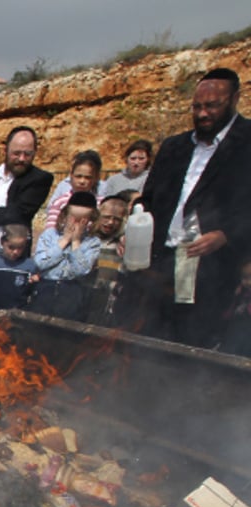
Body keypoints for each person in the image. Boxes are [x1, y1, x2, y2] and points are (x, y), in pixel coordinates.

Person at [122, 68, 251, 347]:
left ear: (234, 99)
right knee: (144, 343)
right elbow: (150, 198)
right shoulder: (174, 147)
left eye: (212, 106)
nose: (203, 114)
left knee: (191, 347)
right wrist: (134, 225)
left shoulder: (247, 144)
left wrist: (225, 234)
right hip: (159, 264)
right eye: (197, 107)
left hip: (210, 272)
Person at [0, 126, 55, 256]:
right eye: (16, 153)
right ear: (6, 150)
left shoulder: (39, 179)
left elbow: (16, 214)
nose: (21, 158)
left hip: (12, 256)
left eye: (28, 154)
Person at [29, 191, 101, 321]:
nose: (76, 225)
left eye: (82, 221)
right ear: (65, 216)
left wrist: (75, 242)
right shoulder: (50, 235)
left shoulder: (92, 242)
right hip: (46, 288)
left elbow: (81, 270)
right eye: (73, 219)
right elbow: (40, 262)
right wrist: (64, 241)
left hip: (72, 292)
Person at [83, 195, 129, 326]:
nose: (110, 222)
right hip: (85, 295)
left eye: (116, 219)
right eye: (106, 217)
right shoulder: (86, 238)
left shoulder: (122, 244)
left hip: (108, 301)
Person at [43, 150, 102, 233]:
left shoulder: (101, 204)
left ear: (95, 178)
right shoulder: (59, 202)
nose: (82, 181)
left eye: (87, 177)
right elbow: (50, 232)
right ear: (71, 175)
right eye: (78, 176)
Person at [219, 259, 251, 357]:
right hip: (236, 334)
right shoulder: (240, 293)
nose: (249, 282)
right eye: (245, 277)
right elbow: (230, 313)